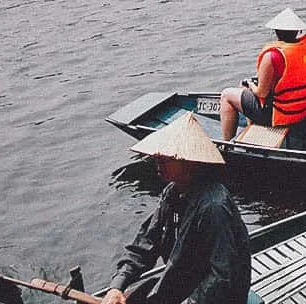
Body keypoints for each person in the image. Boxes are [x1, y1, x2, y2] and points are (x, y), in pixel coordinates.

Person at [102, 113, 250, 304]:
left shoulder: (213, 206)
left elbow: (223, 276)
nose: (158, 163)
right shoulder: (172, 193)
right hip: (185, 279)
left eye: (166, 158)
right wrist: (117, 286)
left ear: (188, 162)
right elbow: (145, 243)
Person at [219, 8, 306, 141]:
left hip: (279, 114)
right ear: (297, 31)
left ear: (276, 32)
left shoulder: (273, 56)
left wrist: (250, 85)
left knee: (227, 95)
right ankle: (254, 130)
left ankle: (226, 143)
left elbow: (261, 93)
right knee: (246, 90)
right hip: (304, 109)